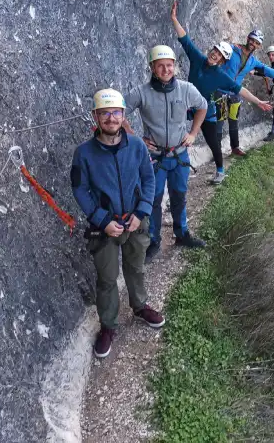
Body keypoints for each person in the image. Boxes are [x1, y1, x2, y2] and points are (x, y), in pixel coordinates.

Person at [70, 88, 164, 359]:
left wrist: (142, 211)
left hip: (135, 220)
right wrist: (101, 219)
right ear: (95, 117)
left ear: (124, 116)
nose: (111, 118)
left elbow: (148, 179)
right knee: (107, 279)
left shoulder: (136, 146)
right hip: (105, 226)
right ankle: (108, 325)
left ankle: (140, 306)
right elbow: (80, 189)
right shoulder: (84, 154)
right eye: (105, 113)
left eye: (116, 113)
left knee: (136, 268)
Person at [169, 2, 272, 184]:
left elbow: (241, 90)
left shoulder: (221, 76)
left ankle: (220, 170)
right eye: (214, 51)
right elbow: (185, 40)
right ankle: (172, 161)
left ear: (223, 60)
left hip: (206, 112)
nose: (214, 54)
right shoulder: (198, 59)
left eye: (219, 54)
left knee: (213, 142)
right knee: (170, 122)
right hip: (187, 106)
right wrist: (174, 19)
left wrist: (258, 102)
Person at [123, 45, 208, 264]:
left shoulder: (186, 89)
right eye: (160, 66)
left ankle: (182, 234)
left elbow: (203, 106)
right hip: (155, 158)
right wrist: (135, 137)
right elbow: (119, 110)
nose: (165, 70)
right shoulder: (141, 92)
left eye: (169, 65)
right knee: (153, 200)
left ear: (175, 67)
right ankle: (154, 240)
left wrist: (193, 133)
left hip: (179, 156)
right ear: (152, 67)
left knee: (179, 195)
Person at [219, 28, 274, 155]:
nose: (253, 43)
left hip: (236, 93)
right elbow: (217, 57)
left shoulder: (252, 61)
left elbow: (269, 71)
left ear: (259, 46)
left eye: (257, 42)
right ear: (248, 38)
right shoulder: (232, 49)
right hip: (220, 91)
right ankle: (216, 150)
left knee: (233, 120)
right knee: (219, 121)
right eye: (252, 40)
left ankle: (235, 148)